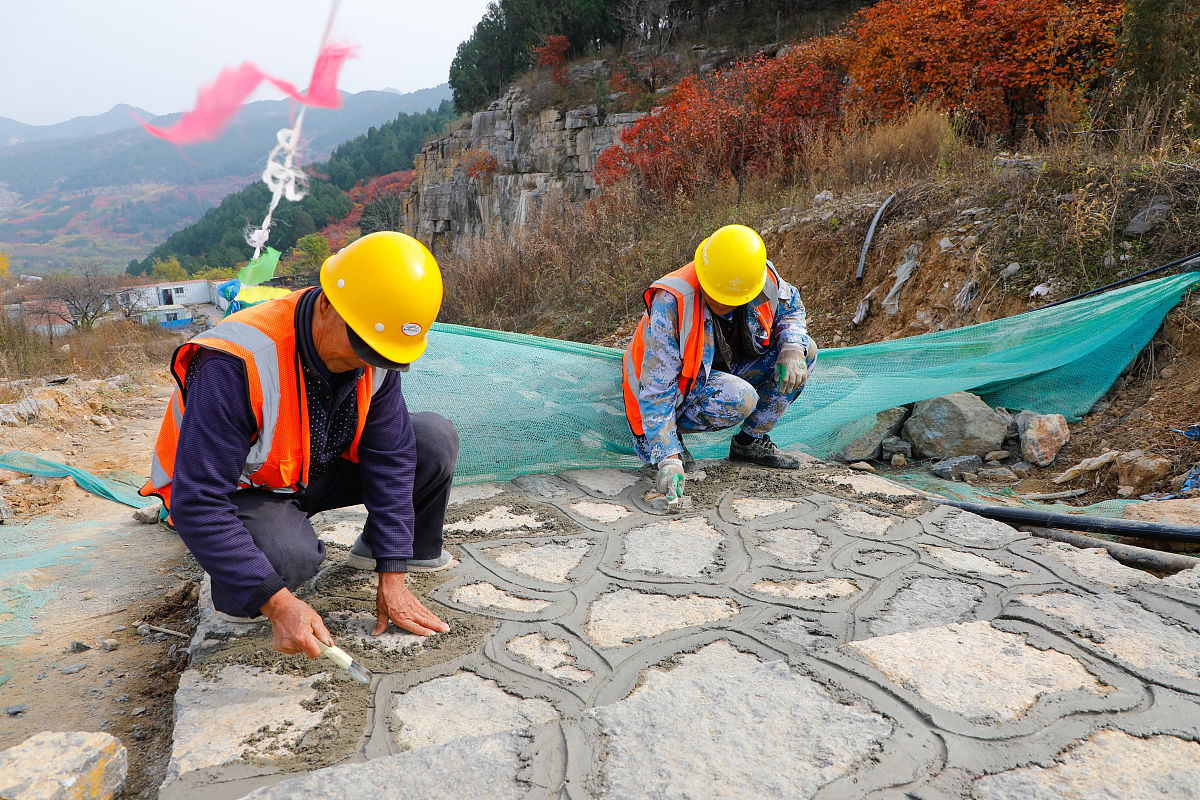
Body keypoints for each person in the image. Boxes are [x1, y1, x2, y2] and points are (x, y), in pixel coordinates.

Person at [140, 231, 456, 659]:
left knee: (431, 442)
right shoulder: (235, 361)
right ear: (326, 304)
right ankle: (243, 591)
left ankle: (377, 551)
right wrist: (279, 602)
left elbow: (393, 456)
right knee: (286, 561)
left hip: (308, 469)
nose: (365, 362)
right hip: (241, 491)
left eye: (377, 354)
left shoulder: (374, 349)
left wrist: (392, 572)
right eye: (359, 347)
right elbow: (197, 500)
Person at [622, 224, 817, 499]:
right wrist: (667, 457)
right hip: (668, 394)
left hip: (717, 372)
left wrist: (792, 348)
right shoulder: (672, 301)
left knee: (805, 351)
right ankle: (668, 439)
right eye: (714, 295)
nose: (719, 302)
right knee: (741, 397)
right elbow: (657, 387)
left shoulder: (756, 275)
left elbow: (791, 307)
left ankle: (750, 443)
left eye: (728, 299)